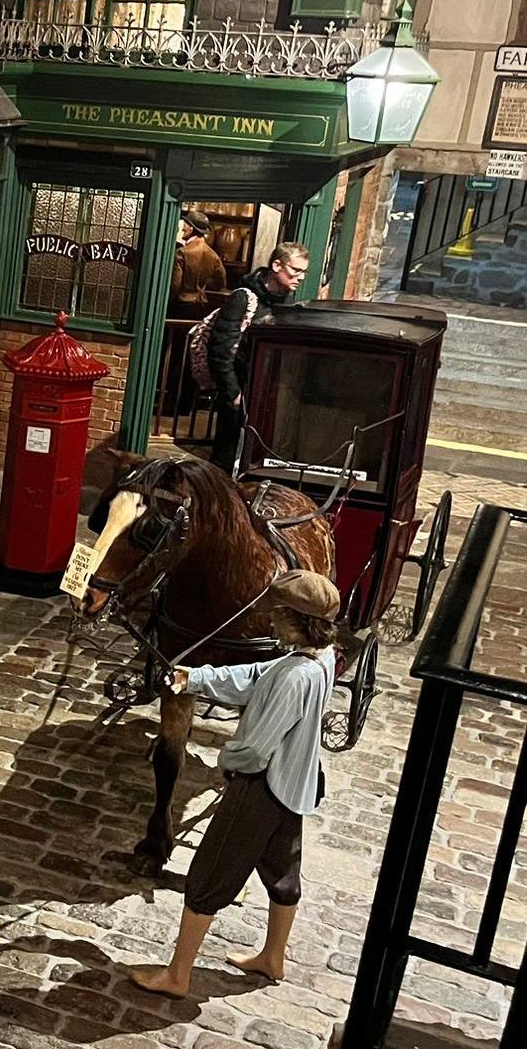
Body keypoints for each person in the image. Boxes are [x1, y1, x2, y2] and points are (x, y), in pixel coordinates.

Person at [132, 570, 340, 998]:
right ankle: (272, 958)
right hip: (294, 786)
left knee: (208, 875)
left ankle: (178, 974)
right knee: (283, 872)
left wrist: (227, 763)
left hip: (260, 788)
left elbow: (258, 745)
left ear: (293, 617)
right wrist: (197, 679)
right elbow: (253, 676)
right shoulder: (318, 658)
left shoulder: (293, 677)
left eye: (277, 615)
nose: (271, 622)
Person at [207, 242, 309, 476]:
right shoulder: (243, 299)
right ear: (276, 265)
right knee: (226, 459)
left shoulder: (288, 304)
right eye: (296, 270)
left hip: (267, 394)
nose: (300, 278)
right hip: (239, 393)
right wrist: (232, 393)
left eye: (304, 272)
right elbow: (220, 350)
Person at [170, 210, 228, 320]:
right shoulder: (213, 255)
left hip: (181, 306)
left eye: (185, 225)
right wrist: (202, 286)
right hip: (200, 306)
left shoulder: (182, 252)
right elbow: (221, 282)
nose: (183, 229)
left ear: (192, 228)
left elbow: (175, 285)